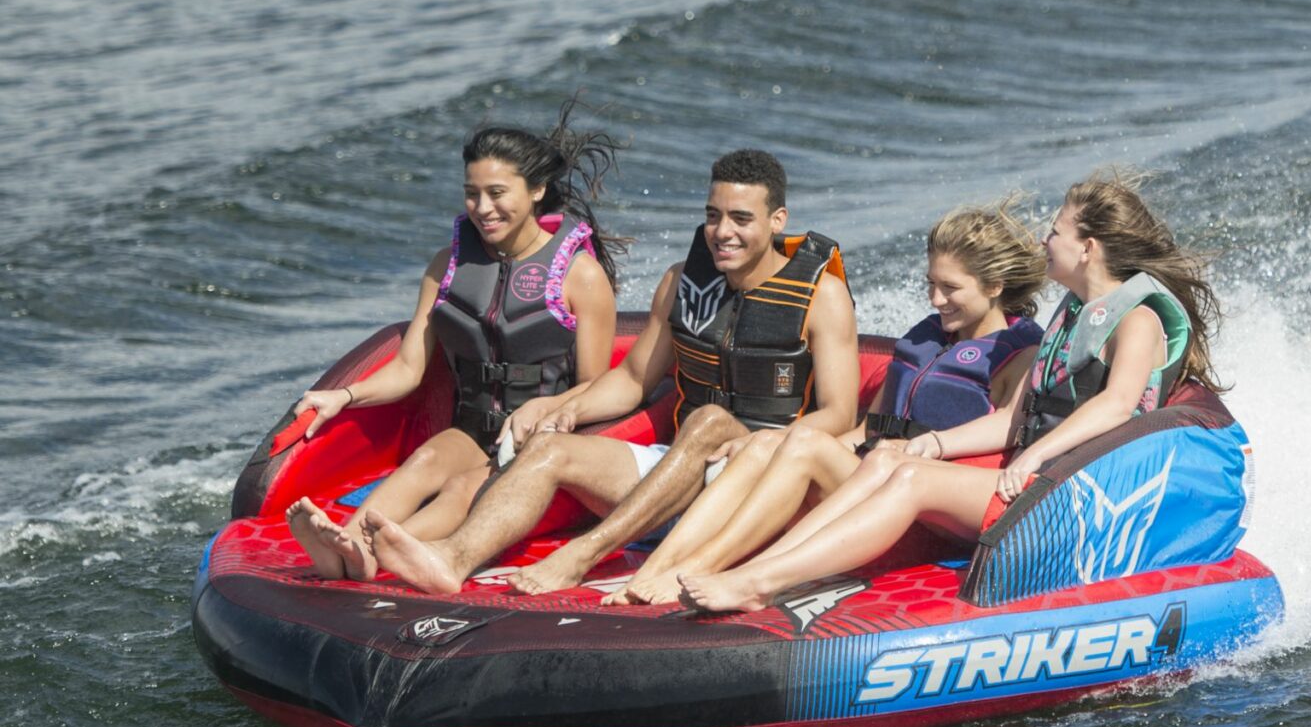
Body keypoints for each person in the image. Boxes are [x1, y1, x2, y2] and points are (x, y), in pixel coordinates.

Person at [679, 170, 1223, 613]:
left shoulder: (1139, 321)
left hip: (1078, 500)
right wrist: (935, 443)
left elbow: (1117, 404)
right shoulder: (1076, 315)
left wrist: (1032, 456)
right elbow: (1020, 416)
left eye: (1056, 231)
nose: (1044, 240)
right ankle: (761, 569)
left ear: (1088, 248)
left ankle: (760, 583)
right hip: (1043, 480)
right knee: (890, 460)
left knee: (909, 478)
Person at [365, 148, 860, 595]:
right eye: (713, 216)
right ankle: (451, 558)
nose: (722, 232)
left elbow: (839, 414)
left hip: (766, 483)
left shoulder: (822, 296)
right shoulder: (680, 283)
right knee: (551, 449)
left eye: (740, 219)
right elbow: (632, 380)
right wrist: (561, 406)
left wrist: (755, 444)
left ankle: (584, 553)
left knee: (708, 422)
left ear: (777, 220)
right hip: (682, 472)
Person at [605, 197, 1047, 606]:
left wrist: (922, 447)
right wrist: (780, 451)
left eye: (951, 288)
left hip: (929, 510)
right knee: (769, 444)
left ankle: (731, 571)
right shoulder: (928, 337)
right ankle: (671, 563)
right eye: (931, 283)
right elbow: (868, 431)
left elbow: (1009, 436)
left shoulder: (1020, 353)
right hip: (874, 473)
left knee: (801, 446)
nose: (936, 300)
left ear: (994, 287)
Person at [283, 103, 624, 581]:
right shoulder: (447, 265)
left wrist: (543, 412)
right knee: (423, 462)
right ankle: (347, 543)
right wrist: (344, 395)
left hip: (541, 442)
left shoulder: (579, 275)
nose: (483, 209)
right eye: (472, 194)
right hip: (472, 427)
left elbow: (599, 386)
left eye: (497, 193)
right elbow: (408, 369)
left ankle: (373, 553)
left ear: (536, 191)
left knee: (465, 488)